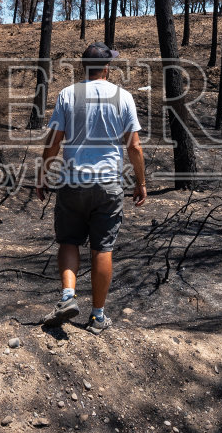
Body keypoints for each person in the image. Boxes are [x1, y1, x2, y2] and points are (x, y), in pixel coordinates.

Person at [34, 41, 147, 330]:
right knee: (102, 248)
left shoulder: (68, 95)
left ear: (85, 67)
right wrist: (141, 182)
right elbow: (134, 147)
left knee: (69, 241)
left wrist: (43, 175)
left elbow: (54, 143)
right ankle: (97, 315)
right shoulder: (124, 97)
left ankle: (68, 296)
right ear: (107, 68)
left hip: (73, 181)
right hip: (108, 184)